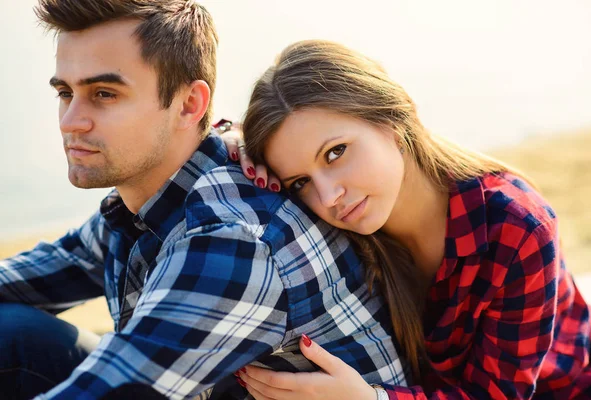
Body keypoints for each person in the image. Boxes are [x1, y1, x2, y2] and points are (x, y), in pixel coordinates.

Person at [0, 3, 408, 399]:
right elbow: (20, 281)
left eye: (104, 94)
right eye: (65, 92)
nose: (71, 121)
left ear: (189, 104)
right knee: (12, 334)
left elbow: (113, 386)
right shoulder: (141, 207)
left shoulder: (233, 239)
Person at [222, 40, 591, 399]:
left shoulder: (517, 227)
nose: (327, 196)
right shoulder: (344, 225)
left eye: (336, 153)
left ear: (390, 121)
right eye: (300, 181)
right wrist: (228, 140)